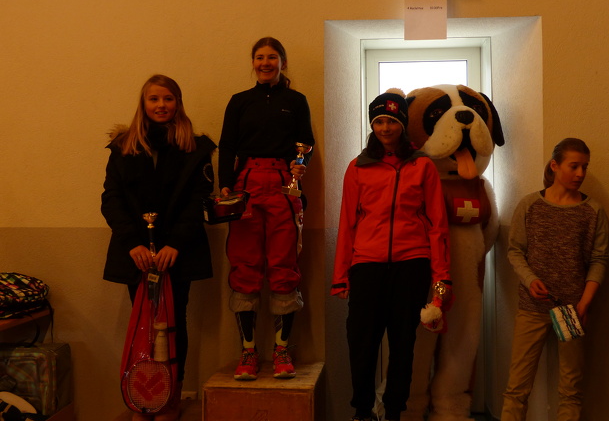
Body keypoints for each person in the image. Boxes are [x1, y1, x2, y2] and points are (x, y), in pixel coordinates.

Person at [101, 74, 216, 421]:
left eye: (168, 99)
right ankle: (143, 398)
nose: (161, 105)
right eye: (154, 99)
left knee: (172, 325)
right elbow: (112, 199)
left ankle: (169, 399)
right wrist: (133, 243)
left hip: (177, 254)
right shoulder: (123, 147)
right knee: (143, 326)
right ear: (144, 103)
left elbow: (199, 200)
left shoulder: (196, 148)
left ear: (177, 103)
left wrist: (175, 244)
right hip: (135, 255)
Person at [331, 92, 452, 421]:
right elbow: (347, 223)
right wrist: (341, 275)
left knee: (403, 345)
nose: (385, 128)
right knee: (361, 343)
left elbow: (438, 225)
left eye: (392, 121)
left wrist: (442, 277)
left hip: (411, 266)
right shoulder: (357, 167)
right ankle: (362, 411)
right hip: (366, 266)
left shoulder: (422, 165)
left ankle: (395, 412)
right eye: (379, 121)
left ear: (402, 125)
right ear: (372, 125)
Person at [218, 37, 315, 380]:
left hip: (283, 185)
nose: (265, 63)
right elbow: (227, 145)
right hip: (245, 186)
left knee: (284, 264)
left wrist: (300, 167)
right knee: (244, 264)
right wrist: (225, 184)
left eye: (272, 57)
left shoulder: (296, 101)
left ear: (282, 63)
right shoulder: (239, 101)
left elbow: (306, 144)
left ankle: (281, 350)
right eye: (259, 57)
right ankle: (248, 353)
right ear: (253, 63)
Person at [501, 137, 609, 421]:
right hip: (532, 308)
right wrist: (529, 280)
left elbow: (599, 260)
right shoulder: (530, 205)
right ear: (555, 166)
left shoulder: (593, 211)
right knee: (517, 387)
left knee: (571, 389)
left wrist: (584, 303)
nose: (580, 173)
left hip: (573, 310)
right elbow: (515, 251)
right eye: (574, 166)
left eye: (585, 167)